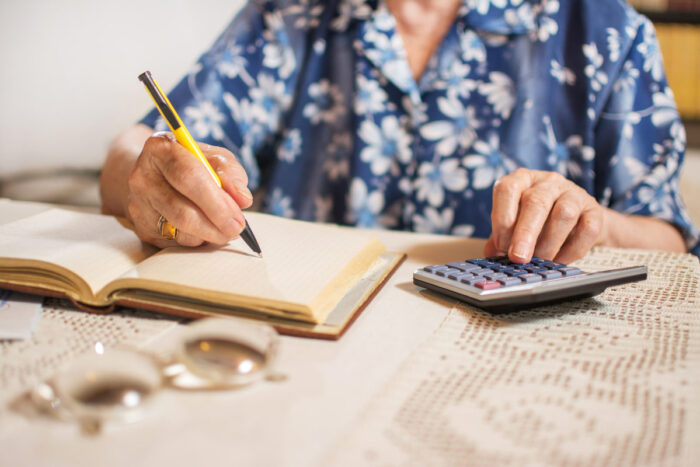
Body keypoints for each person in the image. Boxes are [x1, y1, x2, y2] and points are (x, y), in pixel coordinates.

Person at [100, 0, 700, 264]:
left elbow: (672, 239)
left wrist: (588, 222)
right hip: (304, 351)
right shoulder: (289, 13)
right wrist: (148, 173)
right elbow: (140, 147)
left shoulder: (607, 31)